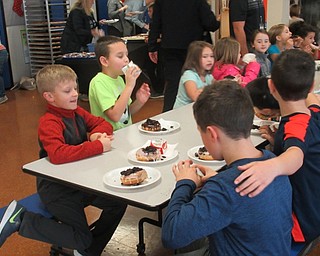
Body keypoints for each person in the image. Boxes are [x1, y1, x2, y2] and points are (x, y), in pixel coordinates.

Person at [0, 64, 127, 255]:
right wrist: (97, 145)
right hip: (57, 189)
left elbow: (102, 123)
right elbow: (58, 154)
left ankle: (90, 251)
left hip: (78, 183)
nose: (75, 94)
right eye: (67, 91)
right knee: (81, 238)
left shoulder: (76, 113)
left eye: (75, 88)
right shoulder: (49, 122)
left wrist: (96, 134)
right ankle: (23, 219)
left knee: (117, 203)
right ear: (49, 97)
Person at [162, 80, 292, 255]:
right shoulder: (274, 163)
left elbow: (171, 235)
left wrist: (184, 183)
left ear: (212, 133)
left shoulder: (226, 187)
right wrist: (217, 180)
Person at [235, 49, 320, 244]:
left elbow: (296, 156)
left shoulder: (295, 125)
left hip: (300, 224)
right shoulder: (313, 112)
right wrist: (277, 142)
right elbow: (312, 101)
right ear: (311, 86)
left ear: (271, 86)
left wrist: (270, 167)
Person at [148, 0, 220, 112]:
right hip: (195, 48)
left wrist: (152, 46)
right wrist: (219, 21)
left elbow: (156, 22)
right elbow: (211, 24)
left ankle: (168, 117)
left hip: (171, 46)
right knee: (199, 79)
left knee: (173, 84)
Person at [89, 36, 150, 131]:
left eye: (126, 55)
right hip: (109, 137)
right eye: (120, 56)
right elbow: (115, 116)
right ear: (104, 61)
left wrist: (139, 101)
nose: (126, 60)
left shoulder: (120, 79)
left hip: (125, 133)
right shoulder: (98, 82)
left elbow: (125, 114)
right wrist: (129, 86)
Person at [173, 41, 214, 109]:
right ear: (194, 59)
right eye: (205, 57)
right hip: (182, 111)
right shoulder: (189, 74)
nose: (210, 60)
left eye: (212, 56)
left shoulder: (208, 76)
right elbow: (195, 97)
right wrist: (211, 88)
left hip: (197, 110)